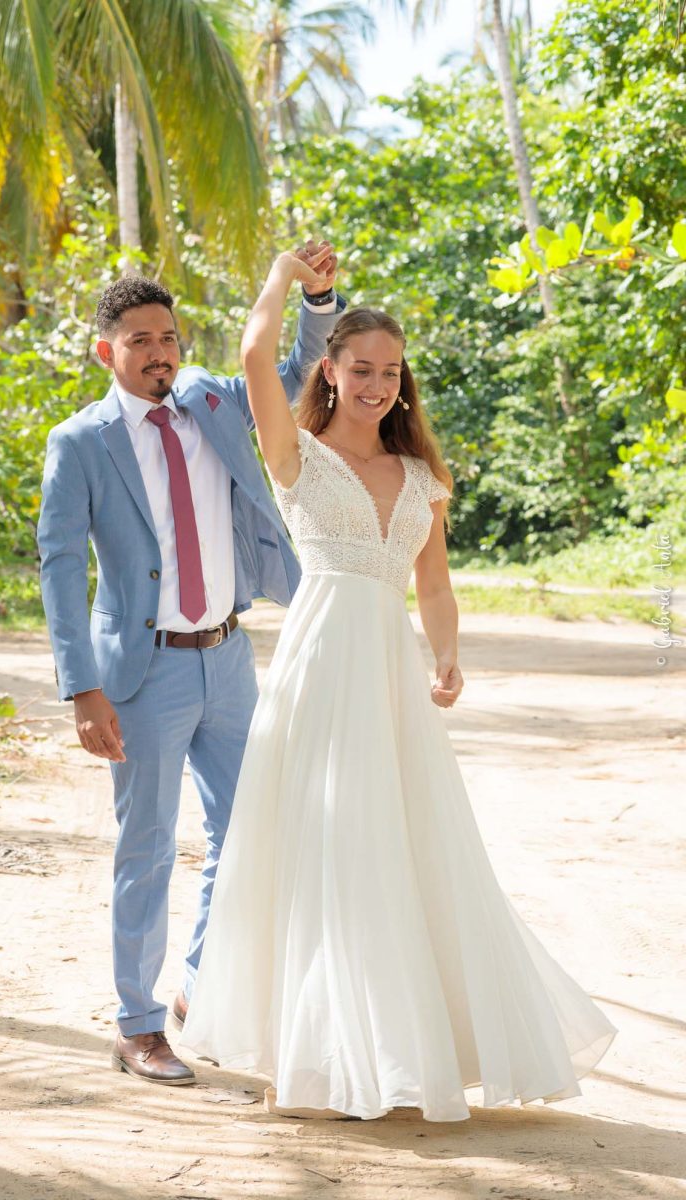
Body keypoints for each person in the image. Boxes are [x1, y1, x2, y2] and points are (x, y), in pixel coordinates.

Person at [180, 247, 618, 1121]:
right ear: (331, 371)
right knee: (322, 847)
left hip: (387, 675)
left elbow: (434, 584)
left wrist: (447, 655)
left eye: (390, 371)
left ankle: (403, 1052)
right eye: (360, 369)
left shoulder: (422, 477)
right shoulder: (295, 454)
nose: (377, 385)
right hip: (319, 670)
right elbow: (256, 353)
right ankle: (310, 1057)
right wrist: (283, 277)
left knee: (403, 848)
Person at [37, 248, 343, 1086]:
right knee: (146, 847)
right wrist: (82, 689)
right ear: (106, 351)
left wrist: (318, 299)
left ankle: (199, 989)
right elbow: (59, 568)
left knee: (247, 835)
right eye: (140, 340)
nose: (159, 352)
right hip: (143, 674)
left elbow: (292, 369)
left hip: (229, 659)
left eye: (168, 337)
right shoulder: (81, 442)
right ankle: (137, 1024)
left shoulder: (212, 399)